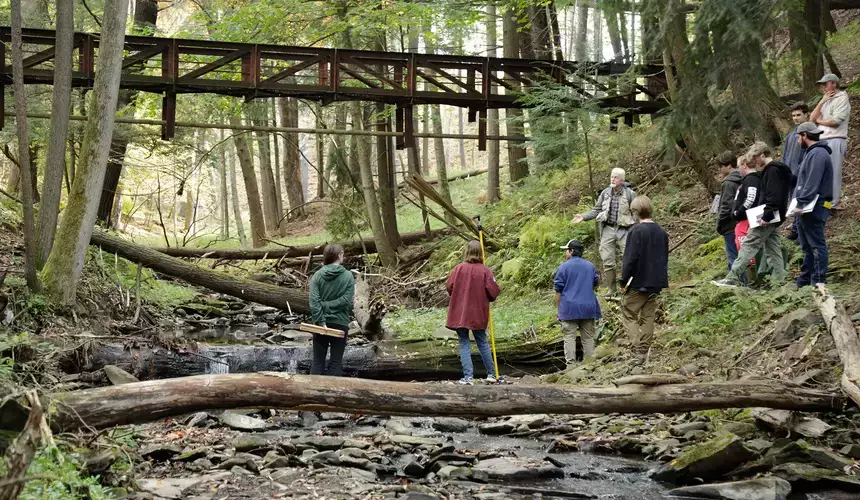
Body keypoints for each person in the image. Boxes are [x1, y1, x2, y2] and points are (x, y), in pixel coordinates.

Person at [713, 142, 792, 287]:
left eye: (755, 158)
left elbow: (774, 196)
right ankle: (780, 281)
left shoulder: (772, 170)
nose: (754, 162)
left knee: (749, 244)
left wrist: (766, 216)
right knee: (773, 248)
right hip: (774, 214)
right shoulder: (774, 170)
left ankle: (733, 277)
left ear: (762, 155)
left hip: (768, 215)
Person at [571, 167, 636, 296]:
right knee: (607, 259)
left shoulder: (630, 194)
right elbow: (596, 210)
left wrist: (636, 228)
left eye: (615, 177)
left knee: (629, 259)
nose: (612, 179)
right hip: (608, 229)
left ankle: (628, 287)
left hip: (625, 229)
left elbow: (636, 212)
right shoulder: (605, 193)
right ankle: (612, 289)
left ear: (622, 180)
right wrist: (583, 217)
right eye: (611, 176)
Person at [446, 240, 501, 385]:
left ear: (467, 252)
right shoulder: (485, 271)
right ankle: (491, 374)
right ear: (481, 253)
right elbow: (494, 291)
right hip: (478, 312)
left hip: (461, 312)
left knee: (464, 342)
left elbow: (449, 287)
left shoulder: (458, 269)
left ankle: (468, 377)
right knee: (482, 341)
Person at [619, 196, 668, 352]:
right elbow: (665, 257)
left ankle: (635, 345)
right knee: (648, 314)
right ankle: (645, 346)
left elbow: (630, 259)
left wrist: (624, 280)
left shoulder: (636, 231)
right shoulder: (661, 231)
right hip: (656, 281)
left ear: (636, 211)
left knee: (628, 311)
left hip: (639, 281)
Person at [791, 122, 834, 287]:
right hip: (806, 208)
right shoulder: (812, 154)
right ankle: (804, 281)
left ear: (804, 136)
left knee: (816, 245)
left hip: (815, 207)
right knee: (807, 246)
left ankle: (818, 282)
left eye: (798, 137)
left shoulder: (818, 154)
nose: (797, 141)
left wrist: (801, 203)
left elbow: (811, 183)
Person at [308, 244, 355, 377]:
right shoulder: (348, 276)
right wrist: (328, 306)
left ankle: (312, 394)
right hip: (340, 323)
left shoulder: (316, 276)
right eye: (343, 254)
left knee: (317, 363)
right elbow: (346, 300)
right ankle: (332, 396)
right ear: (340, 255)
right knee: (335, 363)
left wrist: (321, 319)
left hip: (320, 325)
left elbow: (313, 302)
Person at [553, 239, 601, 366]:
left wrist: (559, 310)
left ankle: (571, 366)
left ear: (571, 251)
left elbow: (558, 290)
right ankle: (590, 365)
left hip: (569, 308)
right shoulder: (590, 266)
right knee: (588, 338)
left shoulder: (563, 267)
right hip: (588, 307)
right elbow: (596, 283)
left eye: (567, 250)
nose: (565, 253)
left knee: (569, 337)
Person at [809, 74, 850, 208]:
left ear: (833, 83)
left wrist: (820, 121)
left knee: (833, 171)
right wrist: (822, 101)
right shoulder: (826, 99)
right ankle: (823, 202)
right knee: (822, 171)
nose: (823, 87)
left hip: (835, 139)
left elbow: (835, 122)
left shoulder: (842, 98)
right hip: (822, 140)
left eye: (824, 84)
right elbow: (811, 119)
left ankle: (831, 204)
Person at [732, 154, 763, 282]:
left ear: (744, 165)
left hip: (747, 219)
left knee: (747, 250)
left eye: (739, 166)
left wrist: (738, 212)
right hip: (745, 219)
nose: (738, 169)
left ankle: (753, 280)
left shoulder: (751, 179)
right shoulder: (747, 180)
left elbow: (751, 198)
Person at [783, 102, 809, 240]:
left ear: (806, 115)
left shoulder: (809, 133)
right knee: (793, 203)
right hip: (790, 175)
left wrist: (798, 173)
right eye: (793, 115)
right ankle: (795, 229)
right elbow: (786, 156)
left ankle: (800, 234)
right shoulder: (790, 136)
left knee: (800, 204)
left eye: (799, 115)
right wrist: (784, 172)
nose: (795, 118)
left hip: (801, 177)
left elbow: (807, 157)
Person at [715, 151, 742, 271]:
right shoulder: (744, 178)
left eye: (721, 166)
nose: (719, 169)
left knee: (733, 255)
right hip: (741, 222)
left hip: (729, 224)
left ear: (729, 165)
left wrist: (720, 223)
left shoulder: (729, 183)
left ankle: (736, 282)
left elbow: (726, 205)